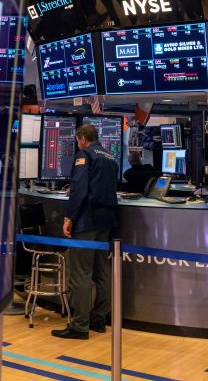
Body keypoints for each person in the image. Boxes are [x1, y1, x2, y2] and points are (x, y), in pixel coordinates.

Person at [52, 124, 118, 339]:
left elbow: (79, 190)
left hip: (86, 221)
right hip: (106, 220)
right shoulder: (109, 156)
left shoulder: (84, 155)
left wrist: (69, 217)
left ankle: (80, 325)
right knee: (103, 272)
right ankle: (99, 318)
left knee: (81, 272)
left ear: (82, 138)